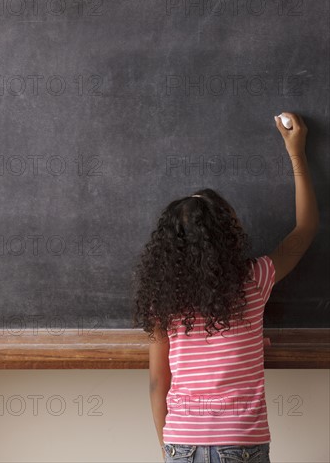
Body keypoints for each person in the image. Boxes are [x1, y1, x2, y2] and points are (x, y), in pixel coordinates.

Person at [132, 112, 319, 463]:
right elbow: (306, 228)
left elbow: (159, 383)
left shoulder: (163, 300)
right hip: (241, 440)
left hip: (181, 441)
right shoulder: (254, 279)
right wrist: (296, 151)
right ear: (228, 236)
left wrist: (168, 449)